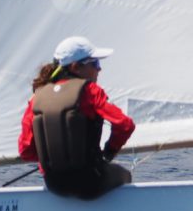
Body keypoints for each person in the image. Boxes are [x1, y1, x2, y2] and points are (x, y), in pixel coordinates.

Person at [18, 36, 135, 200]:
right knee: (125, 176)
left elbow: (26, 151)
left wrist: (57, 156)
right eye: (94, 64)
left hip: (54, 185)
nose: (99, 69)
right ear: (76, 67)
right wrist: (108, 152)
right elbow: (125, 125)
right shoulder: (90, 91)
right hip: (91, 183)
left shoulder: (37, 97)